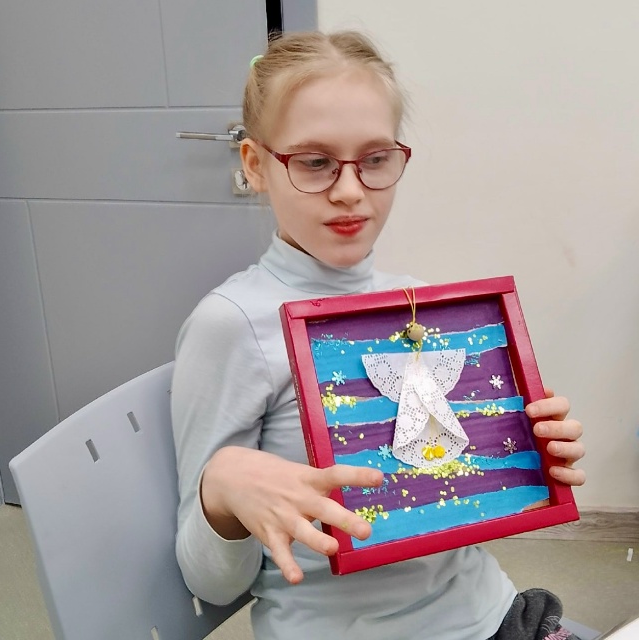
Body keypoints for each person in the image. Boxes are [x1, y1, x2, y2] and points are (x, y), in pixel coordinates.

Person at [171, 30, 586, 640]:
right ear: (256, 165)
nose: (349, 191)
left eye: (374, 159)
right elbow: (209, 582)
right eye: (314, 162)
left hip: (494, 615)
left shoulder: (420, 304)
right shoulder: (231, 323)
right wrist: (222, 488)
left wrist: (527, 455)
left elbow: (449, 493)